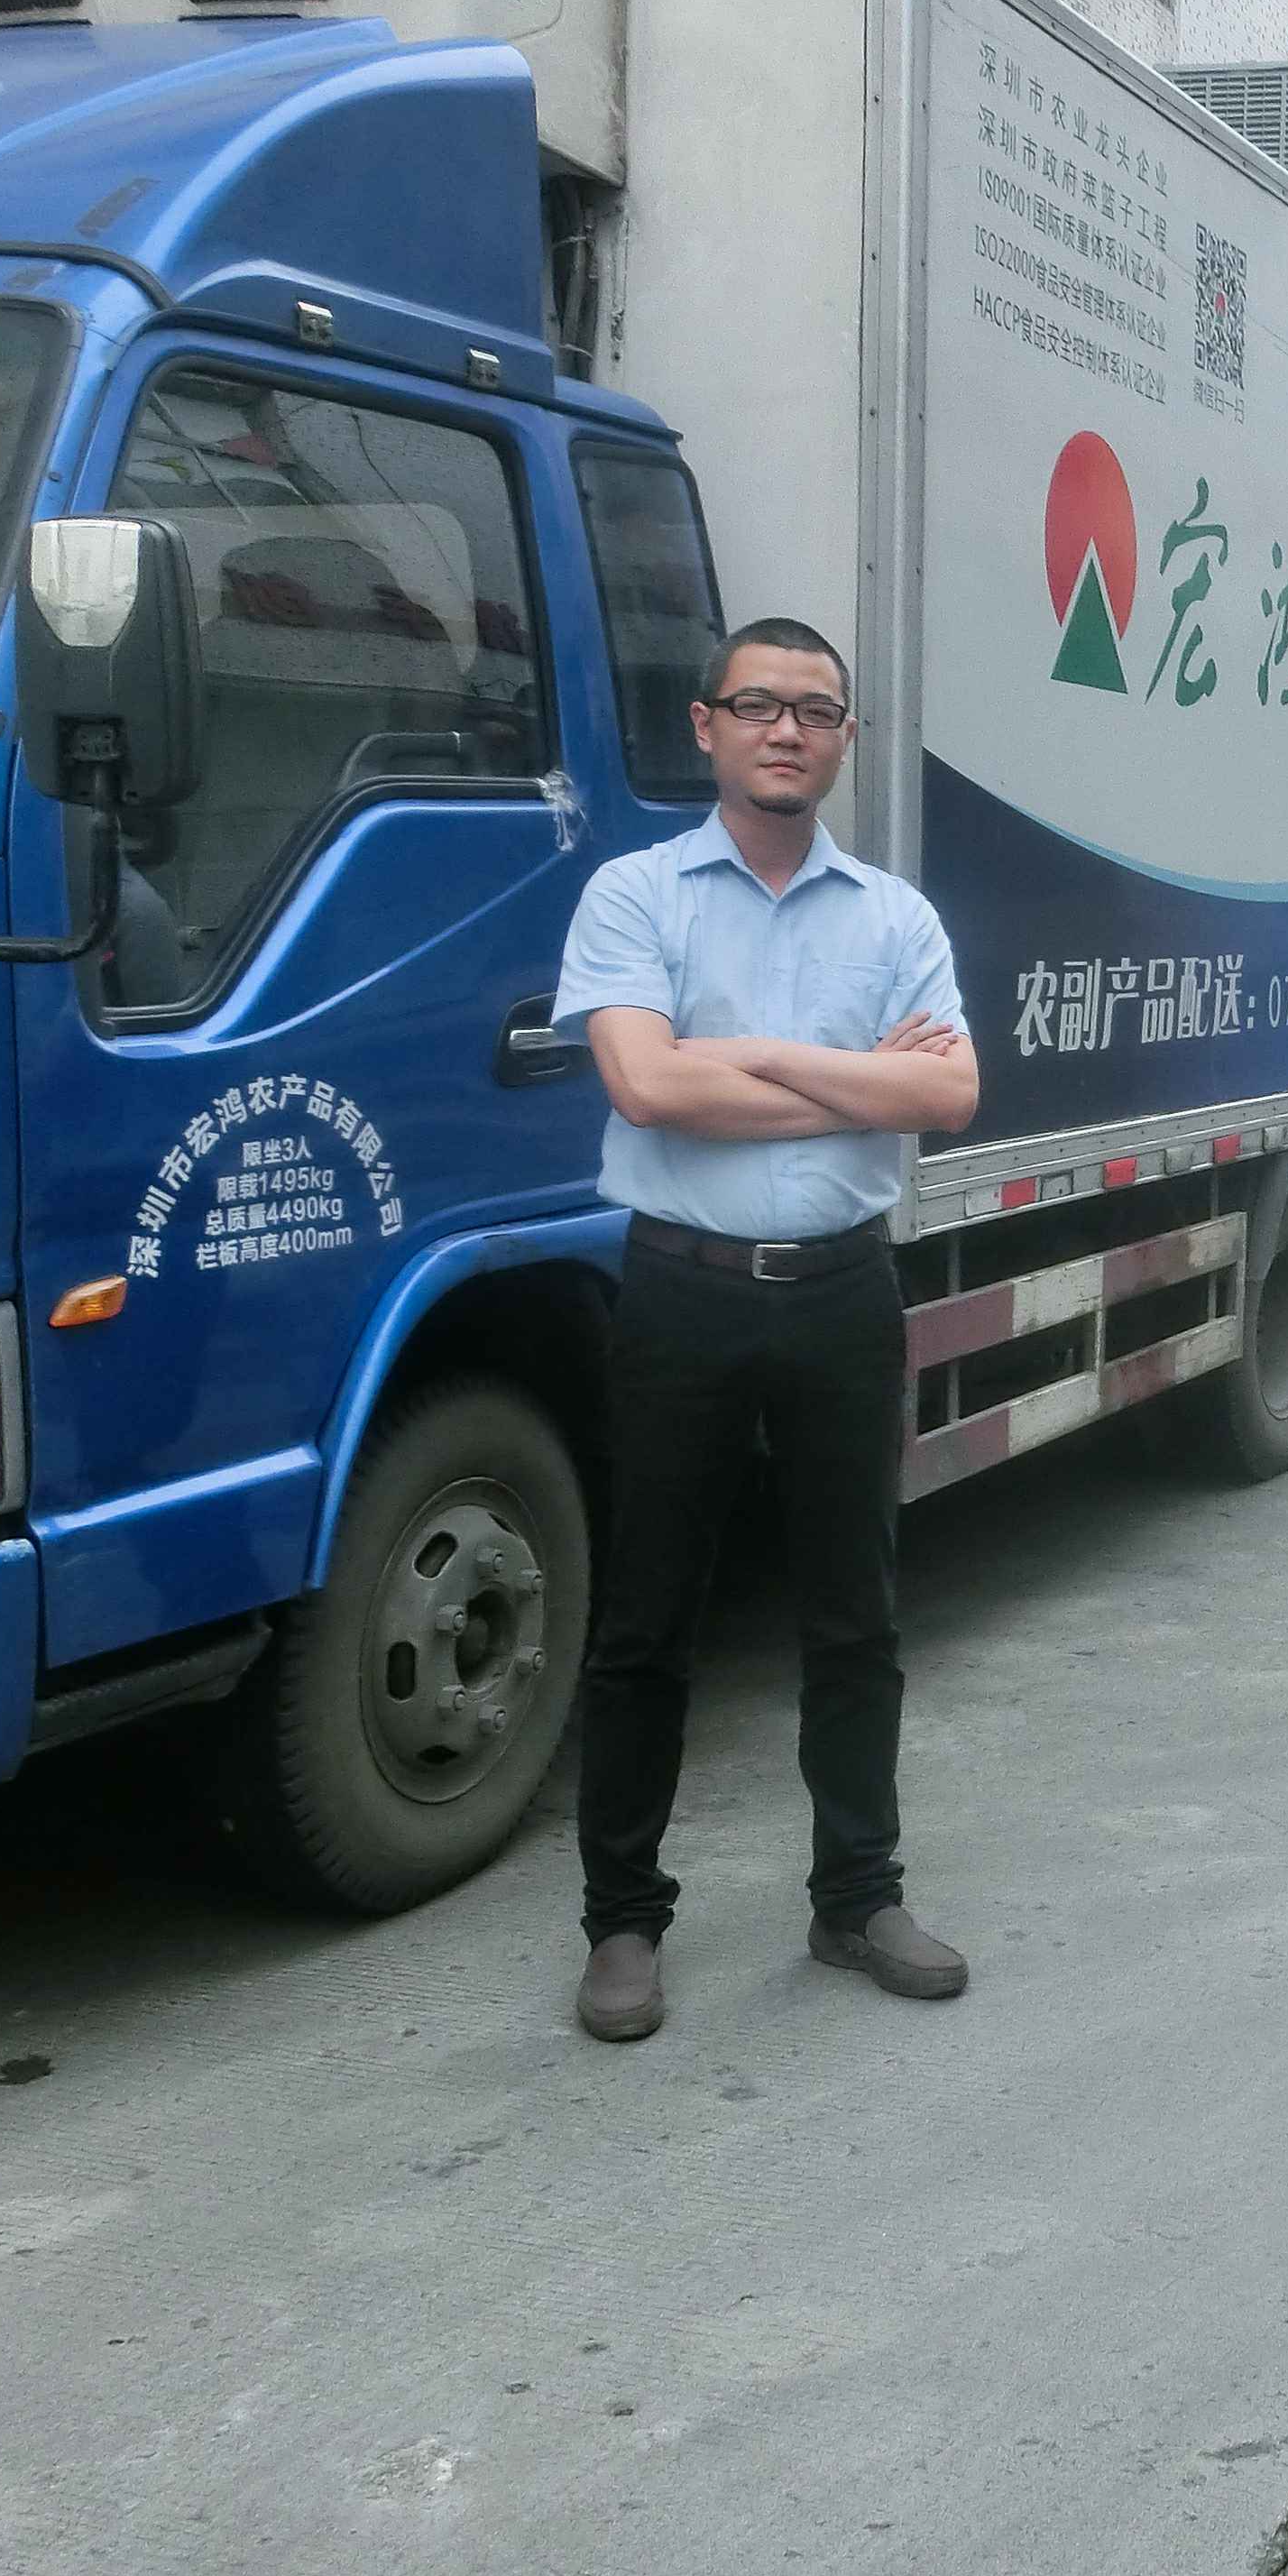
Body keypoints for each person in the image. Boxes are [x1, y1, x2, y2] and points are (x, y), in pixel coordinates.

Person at [552, 618, 985, 2046]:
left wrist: (748, 1056)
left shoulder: (895, 918)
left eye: (815, 710)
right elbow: (647, 1090)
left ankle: (857, 1897)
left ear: (845, 737)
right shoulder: (634, 895)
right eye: (758, 705)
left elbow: (948, 1099)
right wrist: (858, 1079)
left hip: (845, 1293)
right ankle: (623, 1922)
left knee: (856, 1617)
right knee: (646, 1623)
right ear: (708, 726)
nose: (786, 729)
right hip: (680, 1290)